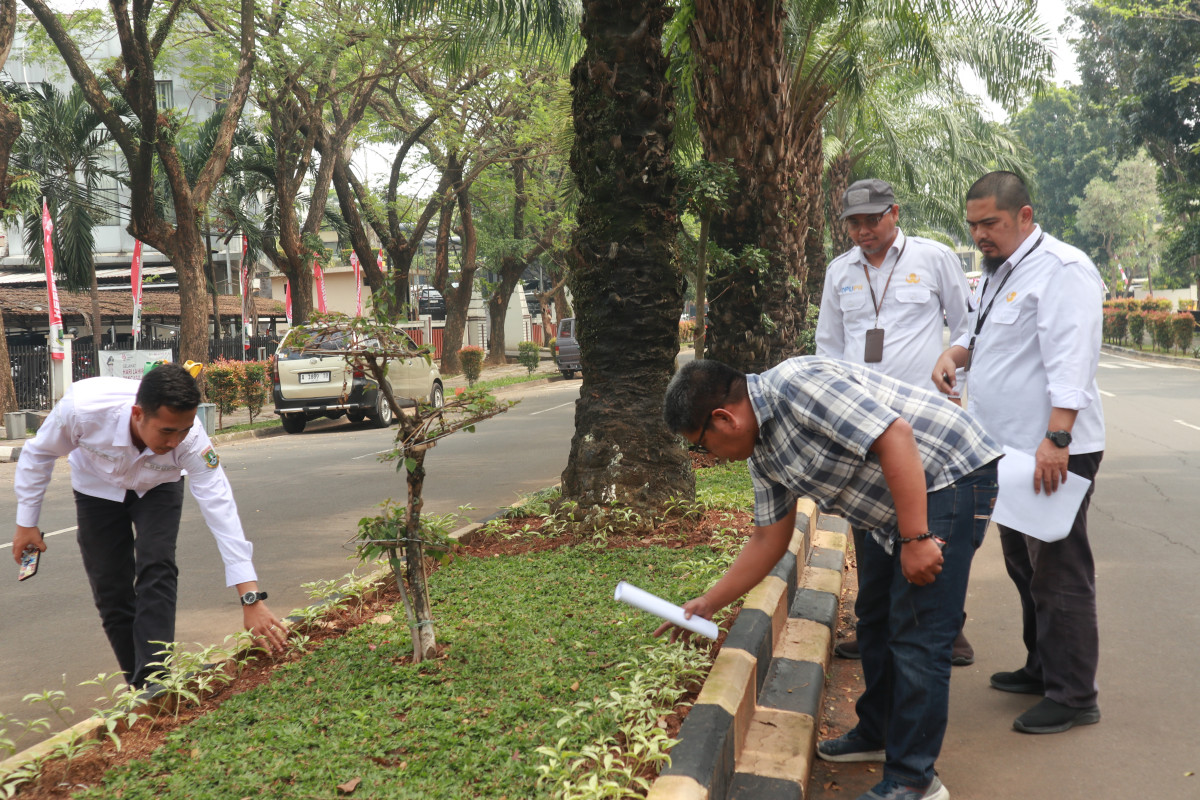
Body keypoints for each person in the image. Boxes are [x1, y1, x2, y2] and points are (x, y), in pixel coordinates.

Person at [661, 357, 1002, 800]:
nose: (707, 456)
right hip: (886, 508)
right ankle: (877, 731)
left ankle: (915, 780)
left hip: (948, 474)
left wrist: (917, 537)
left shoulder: (796, 387)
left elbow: (895, 436)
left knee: (919, 632)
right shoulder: (762, 451)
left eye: (702, 445)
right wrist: (709, 601)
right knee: (875, 616)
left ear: (724, 418)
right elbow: (769, 538)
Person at [932, 171, 1105, 735]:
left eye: (992, 223)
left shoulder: (1063, 270)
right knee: (1021, 563)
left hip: (1049, 449)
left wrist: (1058, 439)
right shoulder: (997, 273)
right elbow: (984, 337)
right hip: (1005, 449)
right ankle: (1041, 665)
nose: (981, 234)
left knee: (1057, 569)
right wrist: (956, 355)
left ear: (1025, 216)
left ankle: (1075, 693)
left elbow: (1070, 359)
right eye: (974, 225)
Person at [12, 364, 288, 688]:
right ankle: (140, 687)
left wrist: (250, 596)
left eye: (183, 431)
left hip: (159, 486)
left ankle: (156, 680)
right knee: (110, 587)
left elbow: (220, 506)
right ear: (138, 413)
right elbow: (38, 454)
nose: (175, 441)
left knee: (157, 562)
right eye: (167, 431)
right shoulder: (82, 410)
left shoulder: (190, 439)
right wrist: (26, 524)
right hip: (96, 488)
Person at [817, 178, 976, 666]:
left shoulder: (933, 258)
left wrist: (953, 362)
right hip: (862, 422)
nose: (862, 231)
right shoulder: (839, 272)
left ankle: (947, 628)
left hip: (924, 419)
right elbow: (827, 345)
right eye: (853, 222)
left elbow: (968, 325)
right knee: (868, 522)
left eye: (872, 219)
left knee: (929, 520)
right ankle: (878, 629)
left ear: (895, 212)